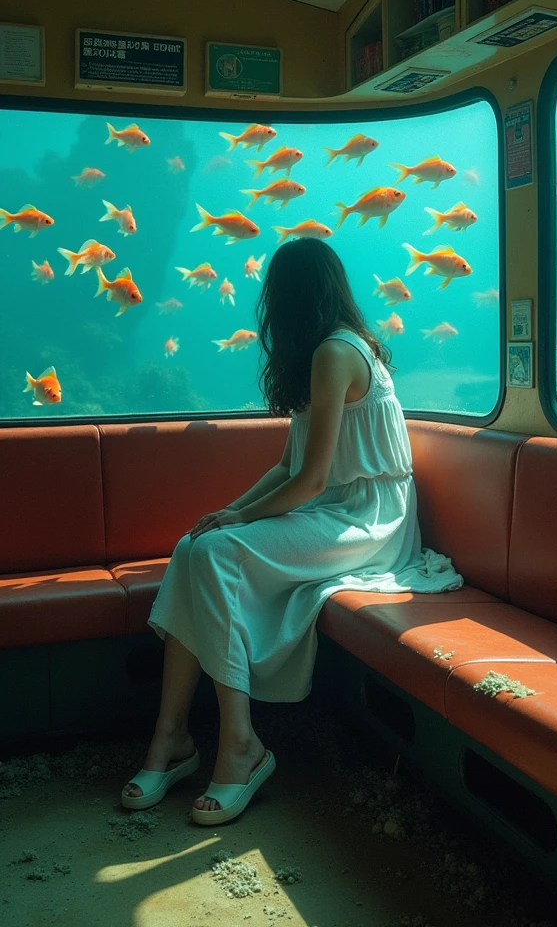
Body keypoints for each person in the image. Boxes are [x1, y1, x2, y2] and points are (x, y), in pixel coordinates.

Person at [121, 237, 463, 824]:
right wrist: (224, 514)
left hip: (367, 519)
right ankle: (170, 738)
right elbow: (287, 466)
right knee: (193, 547)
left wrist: (237, 522)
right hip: (333, 510)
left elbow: (308, 483)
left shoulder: (335, 353)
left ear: (287, 298)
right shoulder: (321, 354)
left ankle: (241, 747)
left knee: (217, 554)